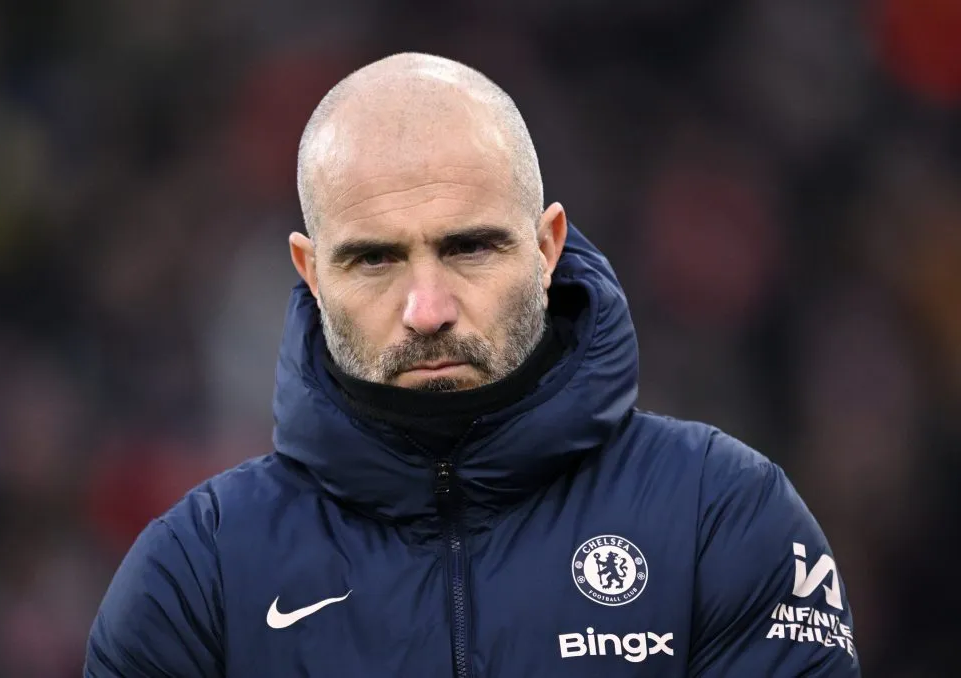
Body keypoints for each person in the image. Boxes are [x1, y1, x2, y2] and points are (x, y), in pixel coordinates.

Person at [85, 52, 861, 677]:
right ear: (312, 274)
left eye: (469, 248)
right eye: (375, 259)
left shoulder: (721, 519)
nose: (427, 309)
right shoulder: (198, 574)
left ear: (547, 247)